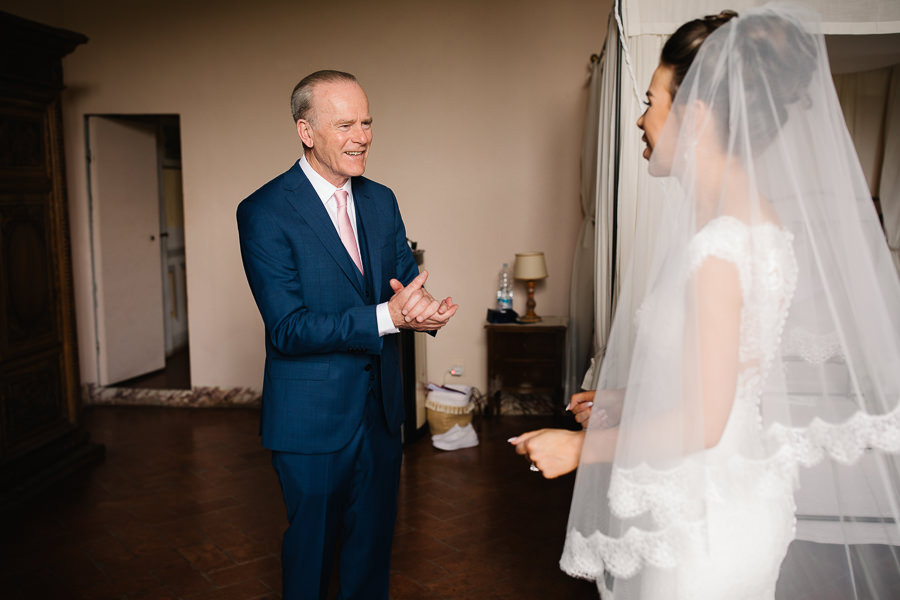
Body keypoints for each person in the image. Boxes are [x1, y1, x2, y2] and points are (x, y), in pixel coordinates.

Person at [511, 4, 900, 599]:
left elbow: (705, 420)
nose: (642, 121)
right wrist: (623, 399)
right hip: (730, 495)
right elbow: (727, 380)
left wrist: (579, 448)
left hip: (709, 523)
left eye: (650, 102)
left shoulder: (720, 249)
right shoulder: (754, 228)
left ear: (692, 116)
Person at [237, 70, 458, 599]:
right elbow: (288, 329)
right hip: (310, 420)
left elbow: (402, 283)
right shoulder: (264, 211)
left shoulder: (381, 200)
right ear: (306, 131)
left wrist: (422, 310)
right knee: (311, 554)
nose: (362, 136)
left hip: (381, 412)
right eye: (345, 124)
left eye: (367, 122)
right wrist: (388, 318)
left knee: (372, 549)